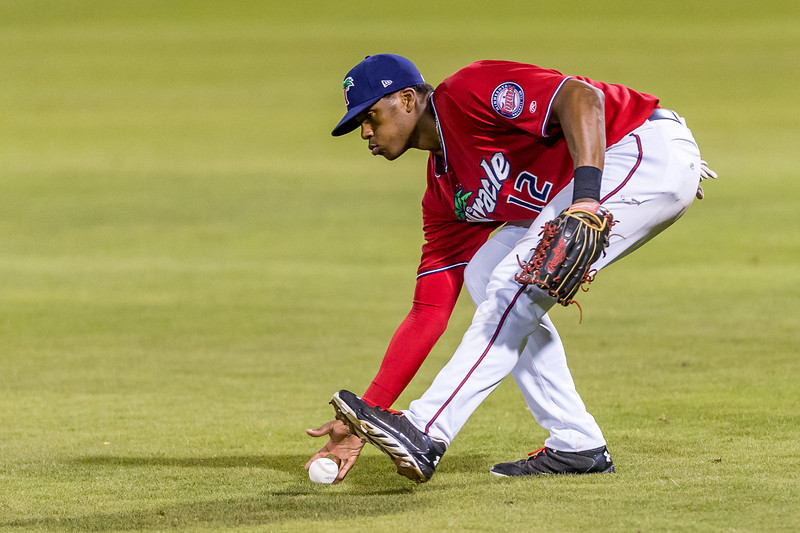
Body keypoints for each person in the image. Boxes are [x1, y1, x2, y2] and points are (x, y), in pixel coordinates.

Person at [306, 54, 716, 483]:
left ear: (407, 99)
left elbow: (582, 97)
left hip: (638, 149)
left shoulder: (467, 93)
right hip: (603, 175)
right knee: (486, 274)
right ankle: (577, 443)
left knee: (511, 282)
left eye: (370, 115)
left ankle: (427, 429)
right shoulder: (447, 195)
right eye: (358, 124)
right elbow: (428, 312)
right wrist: (361, 420)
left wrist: (587, 200)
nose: (365, 132)